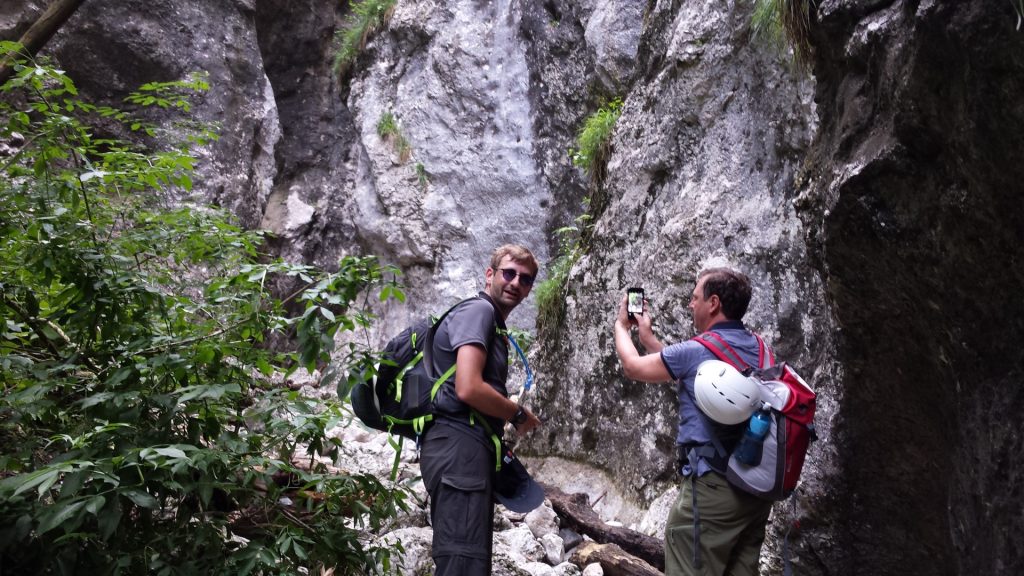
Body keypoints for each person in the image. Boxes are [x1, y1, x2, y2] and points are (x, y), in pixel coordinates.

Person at [613, 267, 774, 576]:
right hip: (756, 490)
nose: (690, 304)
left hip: (713, 489)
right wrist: (647, 338)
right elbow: (692, 375)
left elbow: (633, 367)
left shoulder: (697, 351)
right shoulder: (760, 348)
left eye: (695, 297)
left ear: (713, 303)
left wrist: (622, 326)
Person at [419, 244, 543, 576]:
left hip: (464, 450)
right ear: (490, 275)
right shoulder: (480, 312)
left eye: (526, 279)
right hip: (458, 449)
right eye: (509, 273)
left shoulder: (491, 323)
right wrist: (516, 415)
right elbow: (468, 386)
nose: (516, 282)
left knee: (468, 561)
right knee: (462, 563)